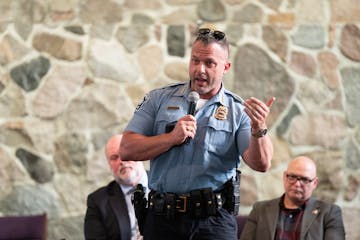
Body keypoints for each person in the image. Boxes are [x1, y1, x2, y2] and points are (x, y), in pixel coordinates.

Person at [120, 25, 275, 240]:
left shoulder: (238, 111)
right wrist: (170, 138)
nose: (200, 69)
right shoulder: (158, 99)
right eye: (195, 60)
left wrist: (259, 130)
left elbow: (261, 164)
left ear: (226, 67)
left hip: (212, 223)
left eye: (209, 63)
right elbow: (126, 148)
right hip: (162, 218)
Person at [240, 156, 346, 240]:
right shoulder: (260, 209)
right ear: (285, 177)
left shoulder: (329, 213)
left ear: (315, 183)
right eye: (292, 177)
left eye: (304, 179)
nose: (297, 184)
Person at [84, 134, 148, 240]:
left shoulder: (166, 185)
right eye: (114, 158)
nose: (121, 161)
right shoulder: (97, 201)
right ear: (109, 165)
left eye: (125, 153)